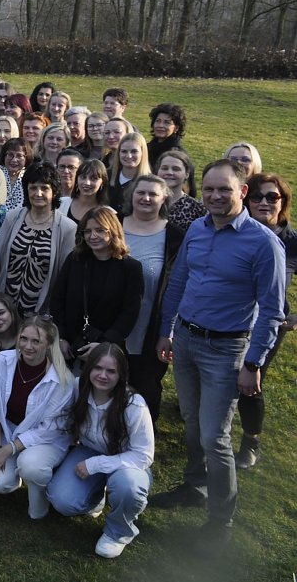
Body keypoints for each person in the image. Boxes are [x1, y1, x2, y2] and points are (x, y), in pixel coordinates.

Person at [151, 159, 286, 549]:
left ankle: (220, 521)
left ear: (242, 191)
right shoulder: (197, 228)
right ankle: (195, 485)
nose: (214, 196)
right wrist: (166, 331)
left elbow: (272, 311)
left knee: (215, 436)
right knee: (193, 423)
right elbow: (179, 281)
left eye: (224, 189)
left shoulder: (264, 244)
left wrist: (253, 363)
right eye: (209, 189)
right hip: (186, 340)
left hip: (226, 351)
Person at [46, 343, 155, 558]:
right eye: (98, 368)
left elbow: (143, 455)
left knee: (128, 487)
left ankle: (117, 532)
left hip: (127, 463)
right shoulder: (78, 387)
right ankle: (96, 497)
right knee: (62, 500)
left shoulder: (133, 404)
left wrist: (96, 465)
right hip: (89, 451)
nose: (103, 375)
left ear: (121, 374)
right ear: (89, 368)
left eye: (111, 371)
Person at [0, 315, 75, 519]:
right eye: (23, 338)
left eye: (36, 341)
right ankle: (20, 472)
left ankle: (39, 503)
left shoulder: (63, 380)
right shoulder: (2, 361)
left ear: (48, 344)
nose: (27, 346)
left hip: (47, 439)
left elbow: (48, 429)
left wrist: (8, 449)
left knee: (31, 466)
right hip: (10, 431)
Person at [236, 172, 297, 469]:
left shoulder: (291, 241)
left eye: (272, 197)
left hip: (267, 324)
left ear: (283, 202)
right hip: (232, 319)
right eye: (257, 196)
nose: (264, 202)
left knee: (250, 380)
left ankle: (251, 442)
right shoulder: (236, 232)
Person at [120, 174, 183, 421]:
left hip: (150, 329)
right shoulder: (113, 223)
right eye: (141, 192)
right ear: (131, 195)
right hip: (108, 324)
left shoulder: (175, 237)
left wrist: (167, 332)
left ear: (164, 199)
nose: (146, 198)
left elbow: (178, 287)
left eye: (153, 194)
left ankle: (142, 436)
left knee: (145, 388)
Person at [50, 207, 144, 362]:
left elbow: (130, 312)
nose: (93, 236)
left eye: (100, 230)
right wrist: (61, 337)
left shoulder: (130, 268)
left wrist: (104, 344)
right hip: (69, 347)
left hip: (107, 351)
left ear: (112, 231)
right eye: (87, 231)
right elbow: (57, 299)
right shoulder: (75, 260)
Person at [0, 162, 77, 317]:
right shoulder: (12, 217)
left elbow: (63, 277)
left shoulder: (67, 228)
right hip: (4, 308)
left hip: (39, 312)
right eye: (33, 188)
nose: (38, 193)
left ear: (54, 192)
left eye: (44, 188)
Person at [157, 149, 206, 231]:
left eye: (176, 169)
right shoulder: (147, 201)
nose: (169, 172)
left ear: (186, 174)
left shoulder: (196, 209)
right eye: (164, 168)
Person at [61, 158, 111, 224]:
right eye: (83, 177)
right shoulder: (61, 203)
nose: (87, 183)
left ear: (102, 182)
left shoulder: (108, 214)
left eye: (93, 178)